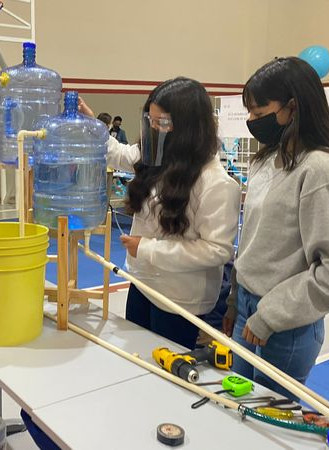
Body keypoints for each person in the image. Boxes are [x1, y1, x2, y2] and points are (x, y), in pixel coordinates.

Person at [222, 57, 329, 399]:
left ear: (292, 107)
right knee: (237, 409)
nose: (252, 121)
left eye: (259, 111)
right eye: (249, 113)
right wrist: (234, 299)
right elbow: (254, 240)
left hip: (285, 324)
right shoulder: (267, 160)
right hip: (247, 308)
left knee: (265, 422)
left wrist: (269, 316)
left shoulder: (320, 171)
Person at [80, 78, 241, 349]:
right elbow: (119, 154)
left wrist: (148, 249)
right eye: (150, 121)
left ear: (189, 127)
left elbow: (217, 250)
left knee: (168, 374)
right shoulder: (157, 156)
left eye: (161, 123)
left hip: (180, 301)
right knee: (139, 357)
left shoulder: (216, 183)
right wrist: (93, 125)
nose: (153, 129)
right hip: (142, 284)